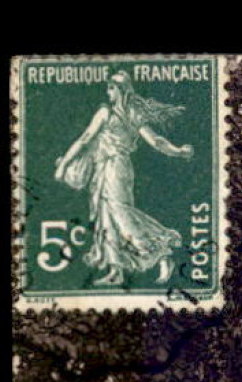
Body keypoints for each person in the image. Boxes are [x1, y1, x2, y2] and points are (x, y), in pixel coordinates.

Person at [53, 71, 193, 286]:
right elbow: (85, 140)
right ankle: (115, 270)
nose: (108, 92)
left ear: (122, 90)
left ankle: (161, 252)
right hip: (104, 168)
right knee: (105, 217)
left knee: (121, 214)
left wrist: (177, 151)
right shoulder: (120, 112)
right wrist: (178, 151)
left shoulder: (120, 113)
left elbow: (155, 141)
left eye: (112, 88)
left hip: (117, 168)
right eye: (108, 88)